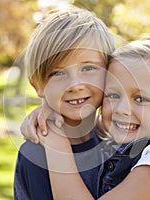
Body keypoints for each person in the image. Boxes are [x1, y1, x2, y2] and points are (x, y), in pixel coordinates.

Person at [32, 39, 150, 199]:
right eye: (113, 95)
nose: (122, 110)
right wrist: (52, 115)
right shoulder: (125, 142)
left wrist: (56, 142)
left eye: (140, 99)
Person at [13, 5, 115, 199]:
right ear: (38, 86)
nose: (75, 85)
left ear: (111, 73)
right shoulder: (35, 155)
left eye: (88, 68)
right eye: (58, 73)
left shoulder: (117, 140)